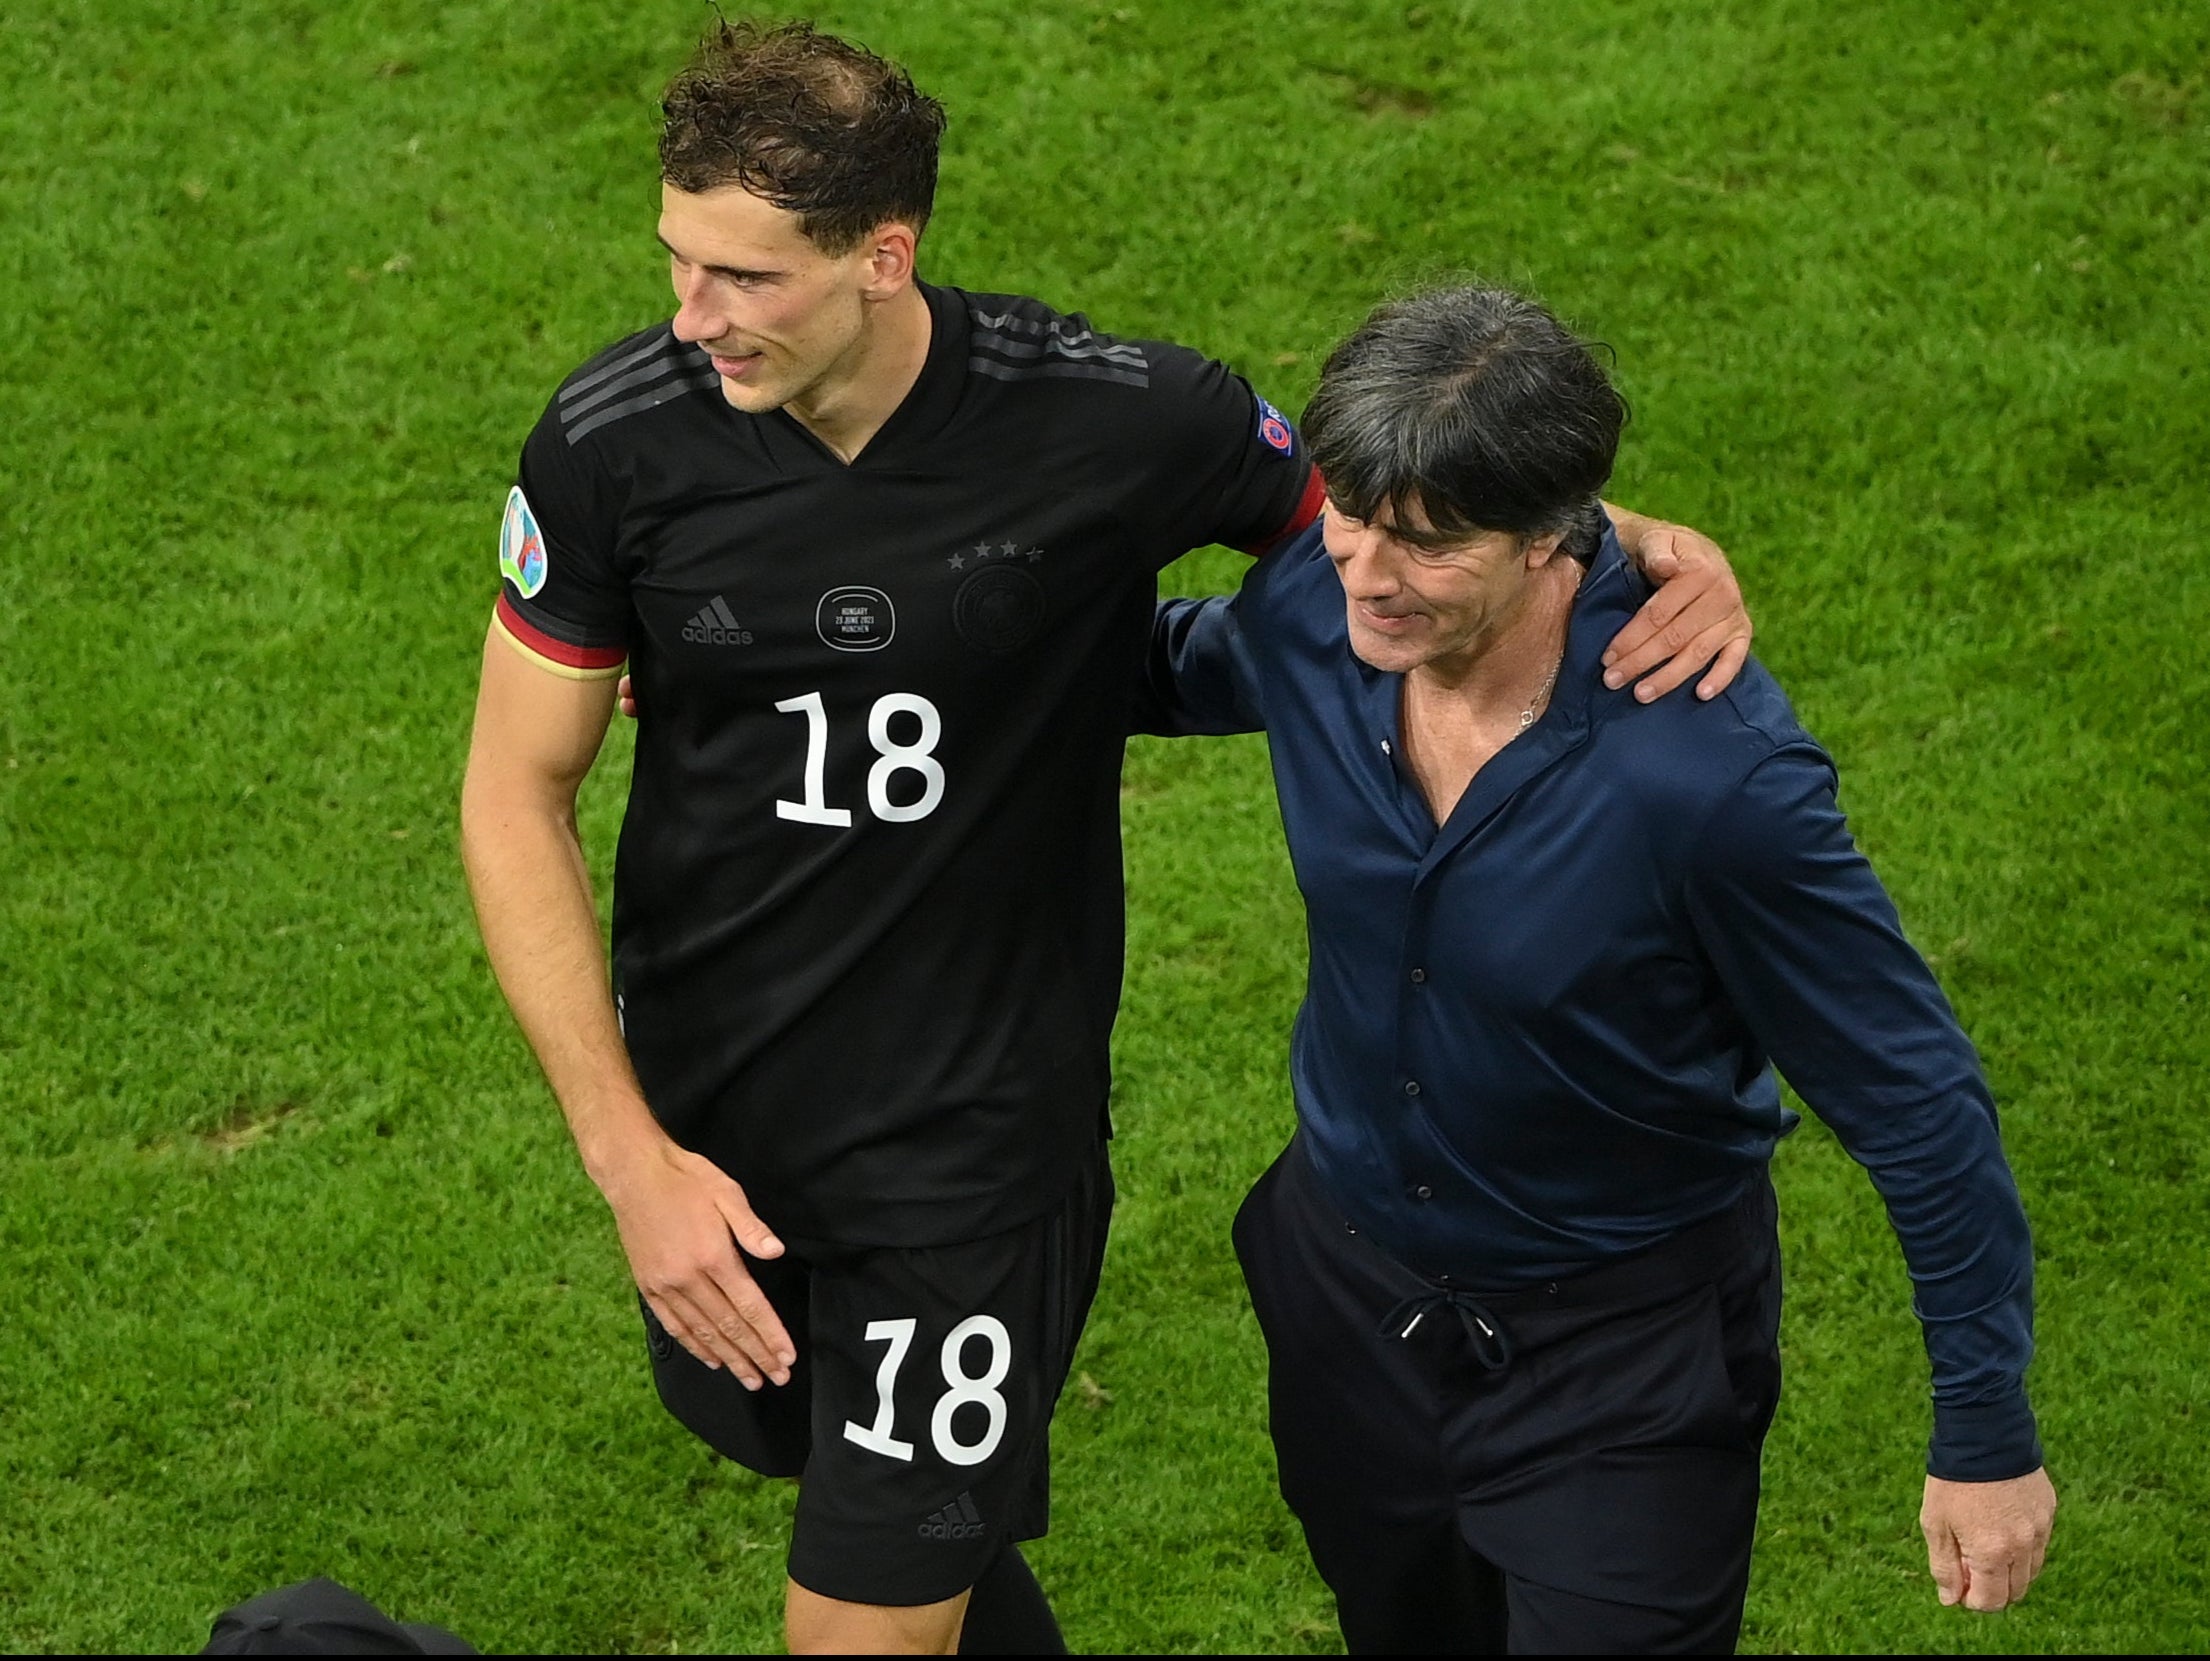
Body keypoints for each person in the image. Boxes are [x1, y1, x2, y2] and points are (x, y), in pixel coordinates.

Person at [458, 21, 1750, 1655]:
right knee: (907, 1541)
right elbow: (516, 789)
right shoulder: (609, 443)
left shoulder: (1114, 417)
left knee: (859, 1627)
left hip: (972, 1150)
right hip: (717, 1132)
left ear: (883, 252)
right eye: (676, 261)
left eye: (740, 278)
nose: (687, 316)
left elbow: (1401, 523)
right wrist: (630, 1156)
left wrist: (1611, 533)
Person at [1138, 284, 2056, 1653]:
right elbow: (1150, 669)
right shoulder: (1318, 615)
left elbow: (1914, 1099)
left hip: (1618, 1365)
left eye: (1429, 545)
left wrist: (1984, 1431)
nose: (1368, 575)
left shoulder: (1711, 781)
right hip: (1346, 1300)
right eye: (1348, 519)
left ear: (1548, 536)